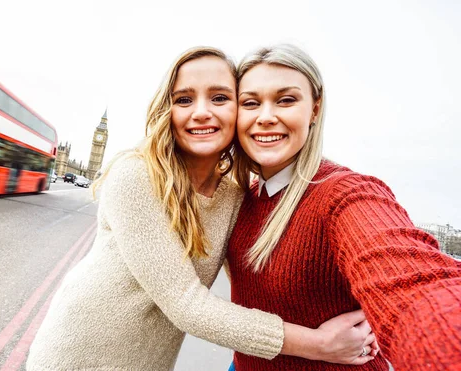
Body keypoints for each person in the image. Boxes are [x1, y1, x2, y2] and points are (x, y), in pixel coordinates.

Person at [27, 47, 377, 371]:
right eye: (184, 99)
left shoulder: (234, 194)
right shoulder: (136, 174)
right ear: (168, 109)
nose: (201, 112)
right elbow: (187, 305)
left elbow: (261, 270)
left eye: (220, 97)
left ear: (239, 109)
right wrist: (319, 344)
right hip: (76, 355)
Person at [227, 43, 461, 370]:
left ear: (315, 109)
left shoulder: (345, 194)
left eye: (286, 100)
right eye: (251, 103)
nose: (266, 117)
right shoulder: (245, 198)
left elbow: (418, 287)